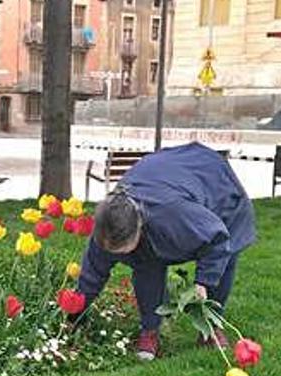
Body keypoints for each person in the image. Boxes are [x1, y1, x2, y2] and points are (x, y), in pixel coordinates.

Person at [76, 142, 257, 361]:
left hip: (216, 186)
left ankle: (210, 327)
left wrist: (204, 281)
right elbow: (92, 273)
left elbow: (217, 239)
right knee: (145, 264)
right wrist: (75, 314)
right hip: (169, 177)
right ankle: (150, 331)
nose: (118, 256)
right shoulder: (107, 225)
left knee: (224, 257)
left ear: (139, 227)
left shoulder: (172, 214)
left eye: (122, 250)